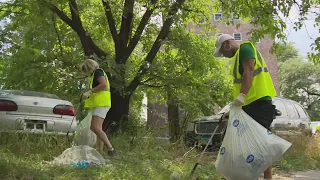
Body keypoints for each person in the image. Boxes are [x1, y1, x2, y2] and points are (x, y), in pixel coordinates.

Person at [213, 34, 277, 180]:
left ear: (227, 44)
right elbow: (239, 84)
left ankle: (267, 178)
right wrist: (234, 108)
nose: (224, 55)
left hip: (259, 103)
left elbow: (249, 70)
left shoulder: (245, 48)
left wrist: (241, 96)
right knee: (249, 145)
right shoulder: (236, 59)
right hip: (247, 106)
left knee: (260, 145)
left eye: (223, 52)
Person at [79, 59, 117, 157]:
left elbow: (103, 84)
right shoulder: (97, 73)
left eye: (86, 70)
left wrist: (90, 92)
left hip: (101, 103)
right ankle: (99, 152)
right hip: (102, 103)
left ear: (89, 67)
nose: (87, 73)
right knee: (98, 128)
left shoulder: (98, 72)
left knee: (94, 127)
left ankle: (111, 149)